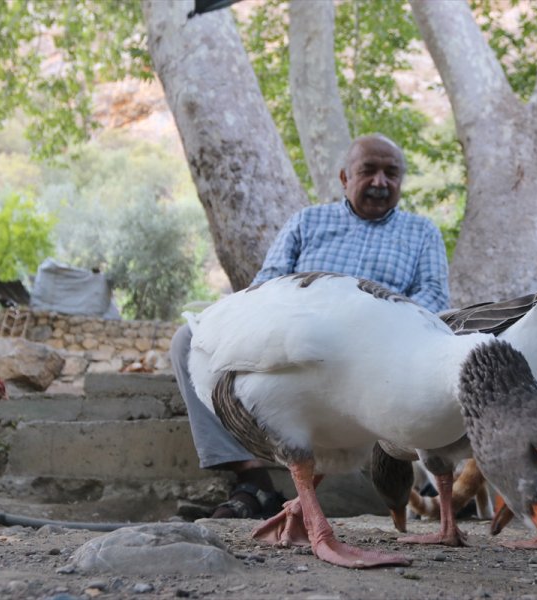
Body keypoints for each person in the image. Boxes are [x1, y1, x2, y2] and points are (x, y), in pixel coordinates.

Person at [170, 133, 451, 518]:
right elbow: (265, 285)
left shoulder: (422, 233)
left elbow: (434, 303)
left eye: (392, 173)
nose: (381, 182)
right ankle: (253, 480)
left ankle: (390, 483)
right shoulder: (308, 221)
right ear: (343, 178)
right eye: (368, 171)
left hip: (374, 356)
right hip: (296, 339)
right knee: (189, 340)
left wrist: (378, 323)